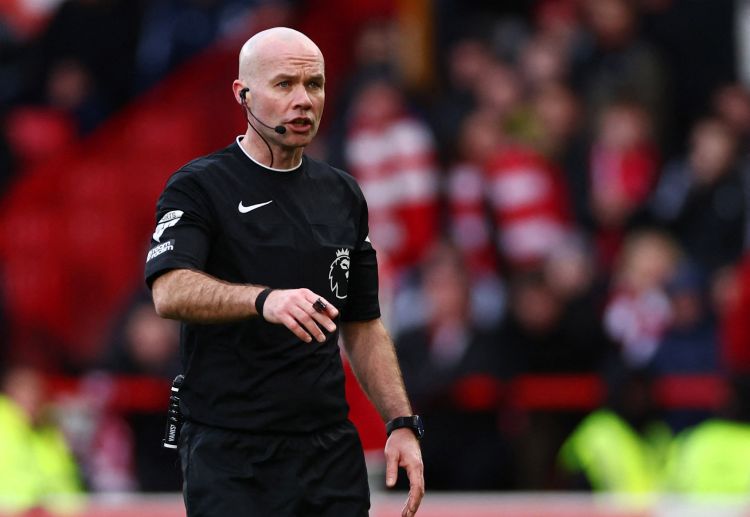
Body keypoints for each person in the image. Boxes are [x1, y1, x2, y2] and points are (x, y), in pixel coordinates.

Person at [144, 27, 424, 517]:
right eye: (284, 85)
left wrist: (401, 422)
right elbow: (169, 290)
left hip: (327, 449)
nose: (303, 100)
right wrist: (263, 300)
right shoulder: (199, 186)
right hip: (230, 450)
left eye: (313, 85)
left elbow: (362, 323)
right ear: (242, 93)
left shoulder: (343, 194)